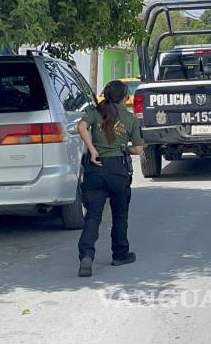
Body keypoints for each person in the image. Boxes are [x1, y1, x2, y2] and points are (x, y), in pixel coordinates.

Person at [77, 80, 144, 277]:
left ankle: (86, 256)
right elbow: (138, 149)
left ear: (105, 95)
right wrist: (124, 149)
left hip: (95, 168)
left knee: (93, 215)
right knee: (120, 214)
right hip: (117, 170)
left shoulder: (95, 112)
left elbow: (81, 127)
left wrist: (93, 150)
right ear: (125, 98)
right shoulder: (130, 119)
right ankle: (120, 254)